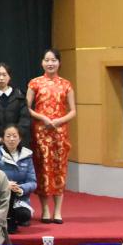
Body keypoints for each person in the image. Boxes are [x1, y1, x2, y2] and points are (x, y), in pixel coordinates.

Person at [26, 48, 77, 224]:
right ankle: (45, 210)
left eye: (53, 60)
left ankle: (58, 211)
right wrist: (43, 118)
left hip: (59, 132)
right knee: (43, 169)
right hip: (40, 132)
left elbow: (73, 111)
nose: (50, 63)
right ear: (42, 62)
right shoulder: (35, 83)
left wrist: (59, 121)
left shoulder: (66, 84)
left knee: (59, 169)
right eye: (47, 60)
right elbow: (27, 107)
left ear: (59, 63)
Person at [0, 124, 36, 233]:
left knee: (24, 215)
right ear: (2, 139)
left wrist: (20, 188)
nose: (11, 139)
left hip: (20, 199)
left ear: (20, 138)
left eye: (14, 136)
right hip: (0, 197)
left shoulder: (27, 156)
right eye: (8, 136)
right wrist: (6, 184)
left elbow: (33, 182)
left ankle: (11, 219)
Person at [0, 62, 31, 147]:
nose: (1, 78)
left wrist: (15, 136)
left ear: (9, 77)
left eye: (4, 75)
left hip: (16, 141)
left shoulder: (19, 96)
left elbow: (25, 118)